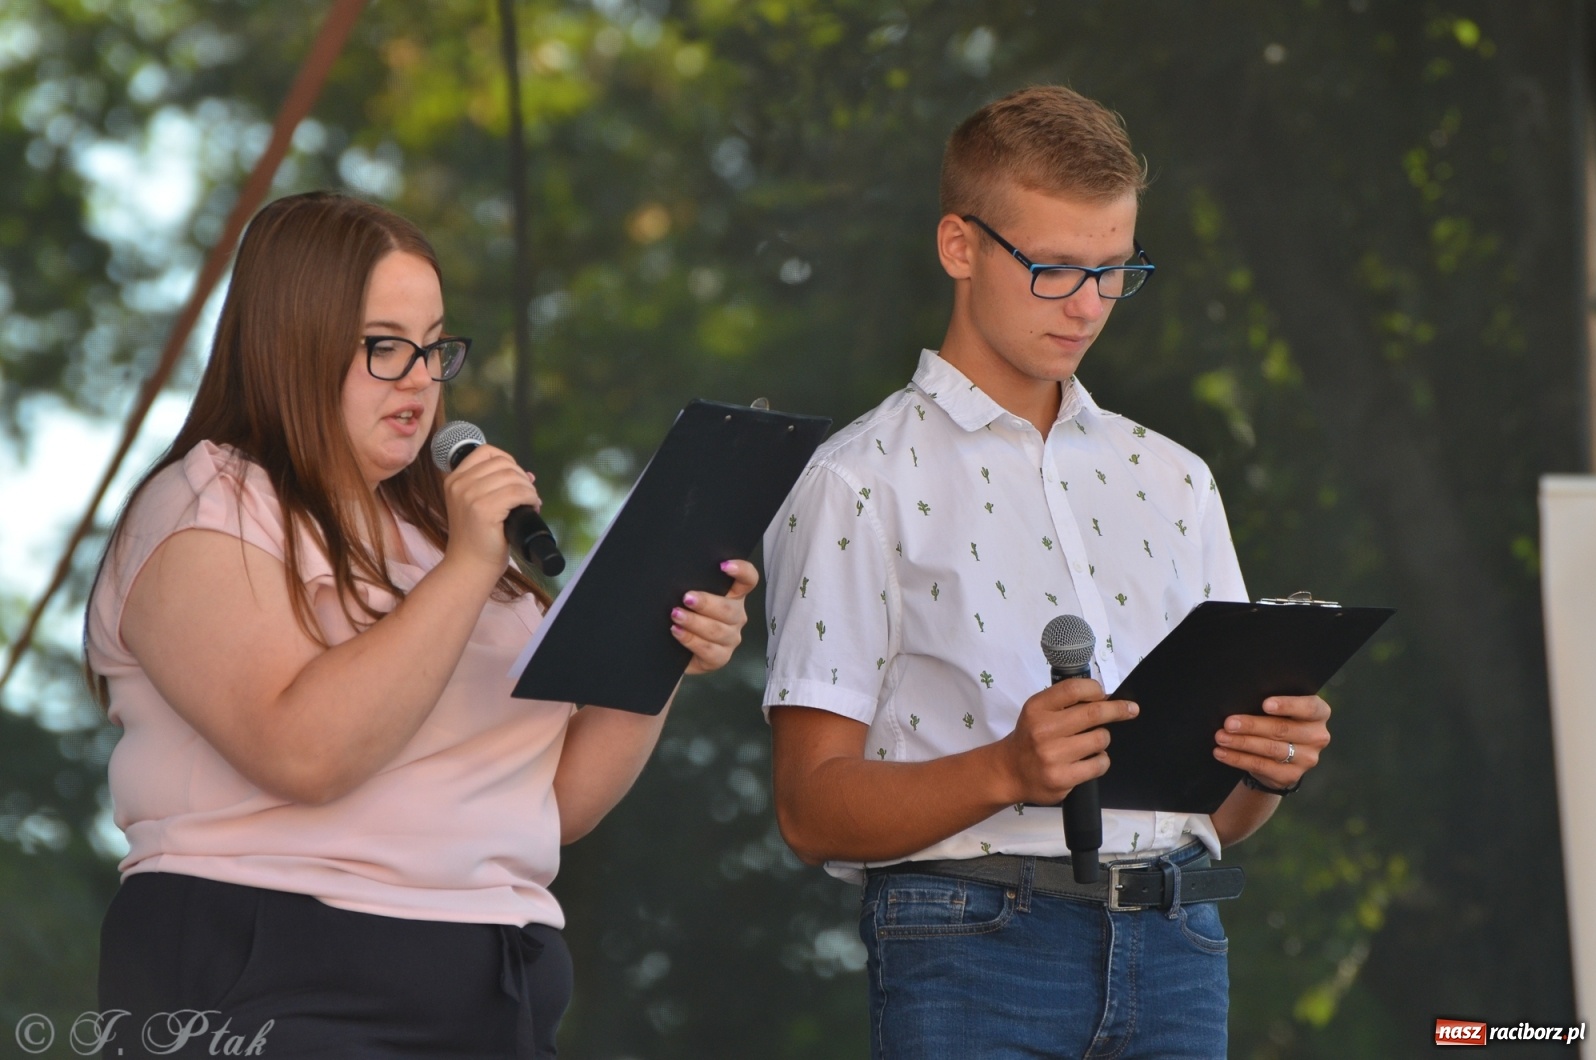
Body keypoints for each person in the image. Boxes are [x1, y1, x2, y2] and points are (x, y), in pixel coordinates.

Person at [84, 191, 756, 1059]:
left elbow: (553, 807)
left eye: (436, 347)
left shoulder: (439, 535)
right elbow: (306, 752)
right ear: (292, 343)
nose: (420, 379)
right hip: (275, 973)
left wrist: (656, 641)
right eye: (385, 347)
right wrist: (470, 568)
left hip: (498, 985)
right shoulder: (208, 502)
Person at [761, 85, 1332, 1059]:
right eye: (1056, 269)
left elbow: (1222, 820)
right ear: (960, 246)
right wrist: (1005, 769)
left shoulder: (1176, 478)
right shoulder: (858, 480)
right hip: (972, 937)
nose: (1087, 305)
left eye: (1115, 271)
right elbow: (809, 810)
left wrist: (1267, 767)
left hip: (1181, 936)